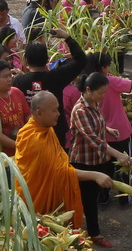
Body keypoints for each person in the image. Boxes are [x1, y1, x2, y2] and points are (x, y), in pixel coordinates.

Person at [15, 91, 113, 233]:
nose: (58, 114)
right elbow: (60, 171)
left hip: (50, 192)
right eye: (54, 110)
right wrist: (95, 175)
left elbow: (58, 164)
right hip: (35, 200)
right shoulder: (34, 138)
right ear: (39, 113)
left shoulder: (46, 129)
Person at [69, 73, 132, 248]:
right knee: (88, 200)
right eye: (101, 93)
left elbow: (98, 123)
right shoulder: (80, 110)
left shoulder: (93, 103)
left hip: (97, 159)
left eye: (105, 93)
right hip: (84, 161)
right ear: (88, 90)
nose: (103, 97)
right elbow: (94, 140)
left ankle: (86, 229)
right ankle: (94, 234)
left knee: (93, 195)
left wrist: (108, 129)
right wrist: (118, 154)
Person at [79, 53, 132, 206]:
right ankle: (125, 198)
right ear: (104, 67)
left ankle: (103, 198)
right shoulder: (110, 81)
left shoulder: (87, 84)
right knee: (125, 166)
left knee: (104, 168)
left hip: (101, 133)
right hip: (120, 131)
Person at [12, 29, 87, 148]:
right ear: (47, 59)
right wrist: (66, 37)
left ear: (26, 60)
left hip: (30, 136)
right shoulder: (56, 77)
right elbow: (82, 60)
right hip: (55, 133)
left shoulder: (18, 81)